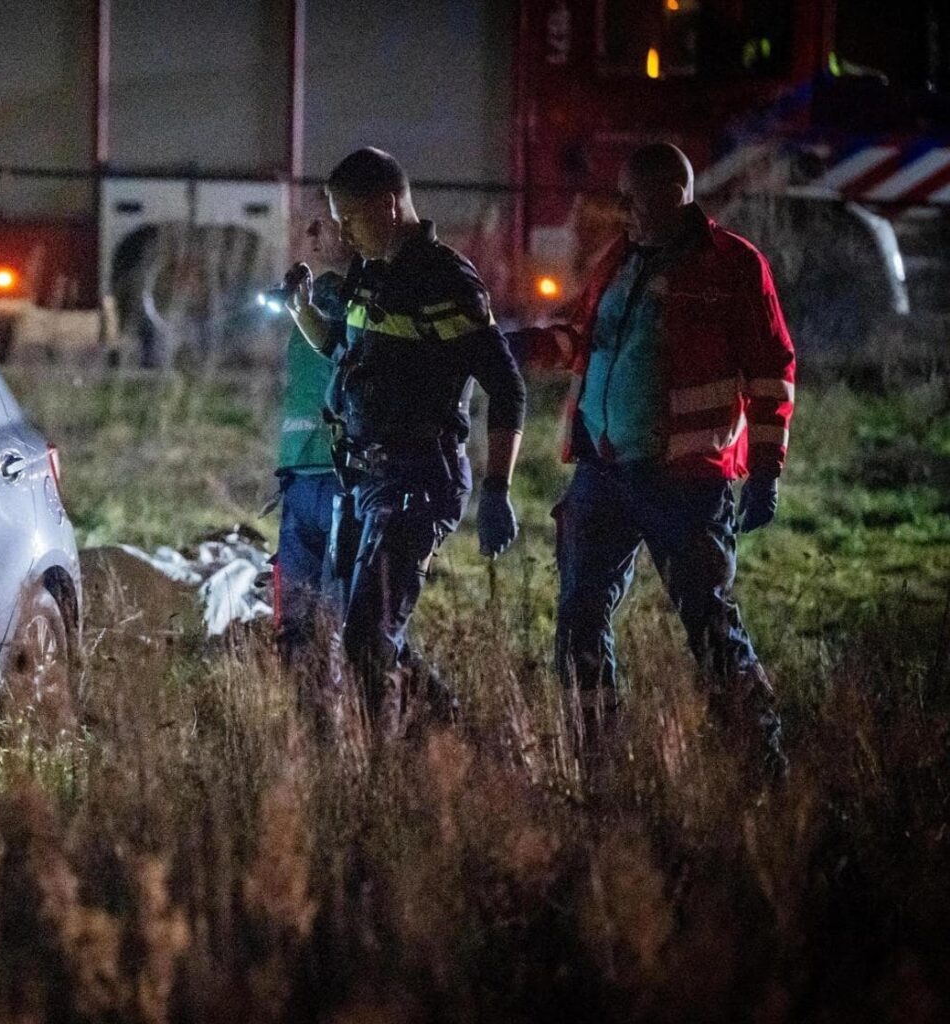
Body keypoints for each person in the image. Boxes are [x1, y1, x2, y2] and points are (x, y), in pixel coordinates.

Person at [510, 143, 792, 776]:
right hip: (605, 473)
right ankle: (596, 759)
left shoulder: (733, 266)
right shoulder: (619, 259)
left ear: (674, 194)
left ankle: (761, 764)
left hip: (686, 481)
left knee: (709, 622)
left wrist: (767, 469)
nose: (623, 209)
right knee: (580, 612)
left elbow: (773, 371)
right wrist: (517, 345)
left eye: (633, 197)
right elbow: (579, 337)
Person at [284, 148, 525, 738]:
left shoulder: (447, 280)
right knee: (369, 630)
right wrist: (301, 311)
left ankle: (390, 772)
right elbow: (345, 347)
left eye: (352, 219)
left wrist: (498, 488)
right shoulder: (372, 272)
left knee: (366, 634)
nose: (343, 232)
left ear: (390, 206)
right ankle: (455, 738)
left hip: (421, 478)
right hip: (368, 479)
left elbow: (508, 387)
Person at [272, 206, 350, 658]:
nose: (312, 233)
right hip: (301, 475)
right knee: (296, 626)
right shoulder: (308, 297)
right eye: (310, 223)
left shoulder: (366, 299)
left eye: (327, 222)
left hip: (346, 479)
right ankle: (305, 723)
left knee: (342, 626)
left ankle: (435, 712)